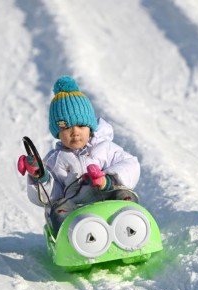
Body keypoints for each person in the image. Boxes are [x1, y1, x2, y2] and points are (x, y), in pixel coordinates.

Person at [17, 75, 140, 229]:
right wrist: (39, 176)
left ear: (90, 127)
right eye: (67, 127)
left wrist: (107, 180)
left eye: (81, 125)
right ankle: (69, 241)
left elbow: (131, 165)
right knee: (58, 209)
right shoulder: (55, 160)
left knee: (125, 197)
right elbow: (50, 196)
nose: (75, 132)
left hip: (108, 200)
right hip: (76, 211)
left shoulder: (106, 148)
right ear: (57, 133)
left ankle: (130, 231)